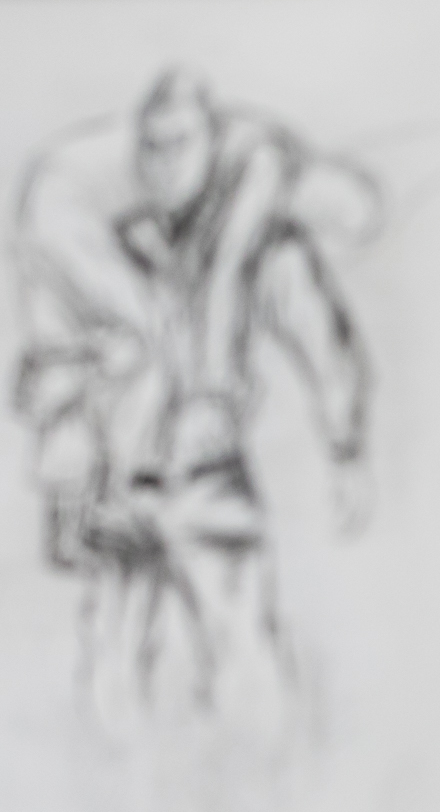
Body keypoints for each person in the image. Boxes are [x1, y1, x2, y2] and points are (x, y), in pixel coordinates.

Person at [10, 67, 379, 736]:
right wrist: (68, 486)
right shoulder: (86, 241)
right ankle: (122, 787)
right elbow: (45, 380)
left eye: (181, 144)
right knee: (116, 660)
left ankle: (264, 781)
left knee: (241, 650)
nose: (166, 162)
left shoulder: (260, 241)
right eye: (154, 146)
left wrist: (346, 444)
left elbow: (321, 336)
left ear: (212, 141)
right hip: (118, 488)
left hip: (205, 475)